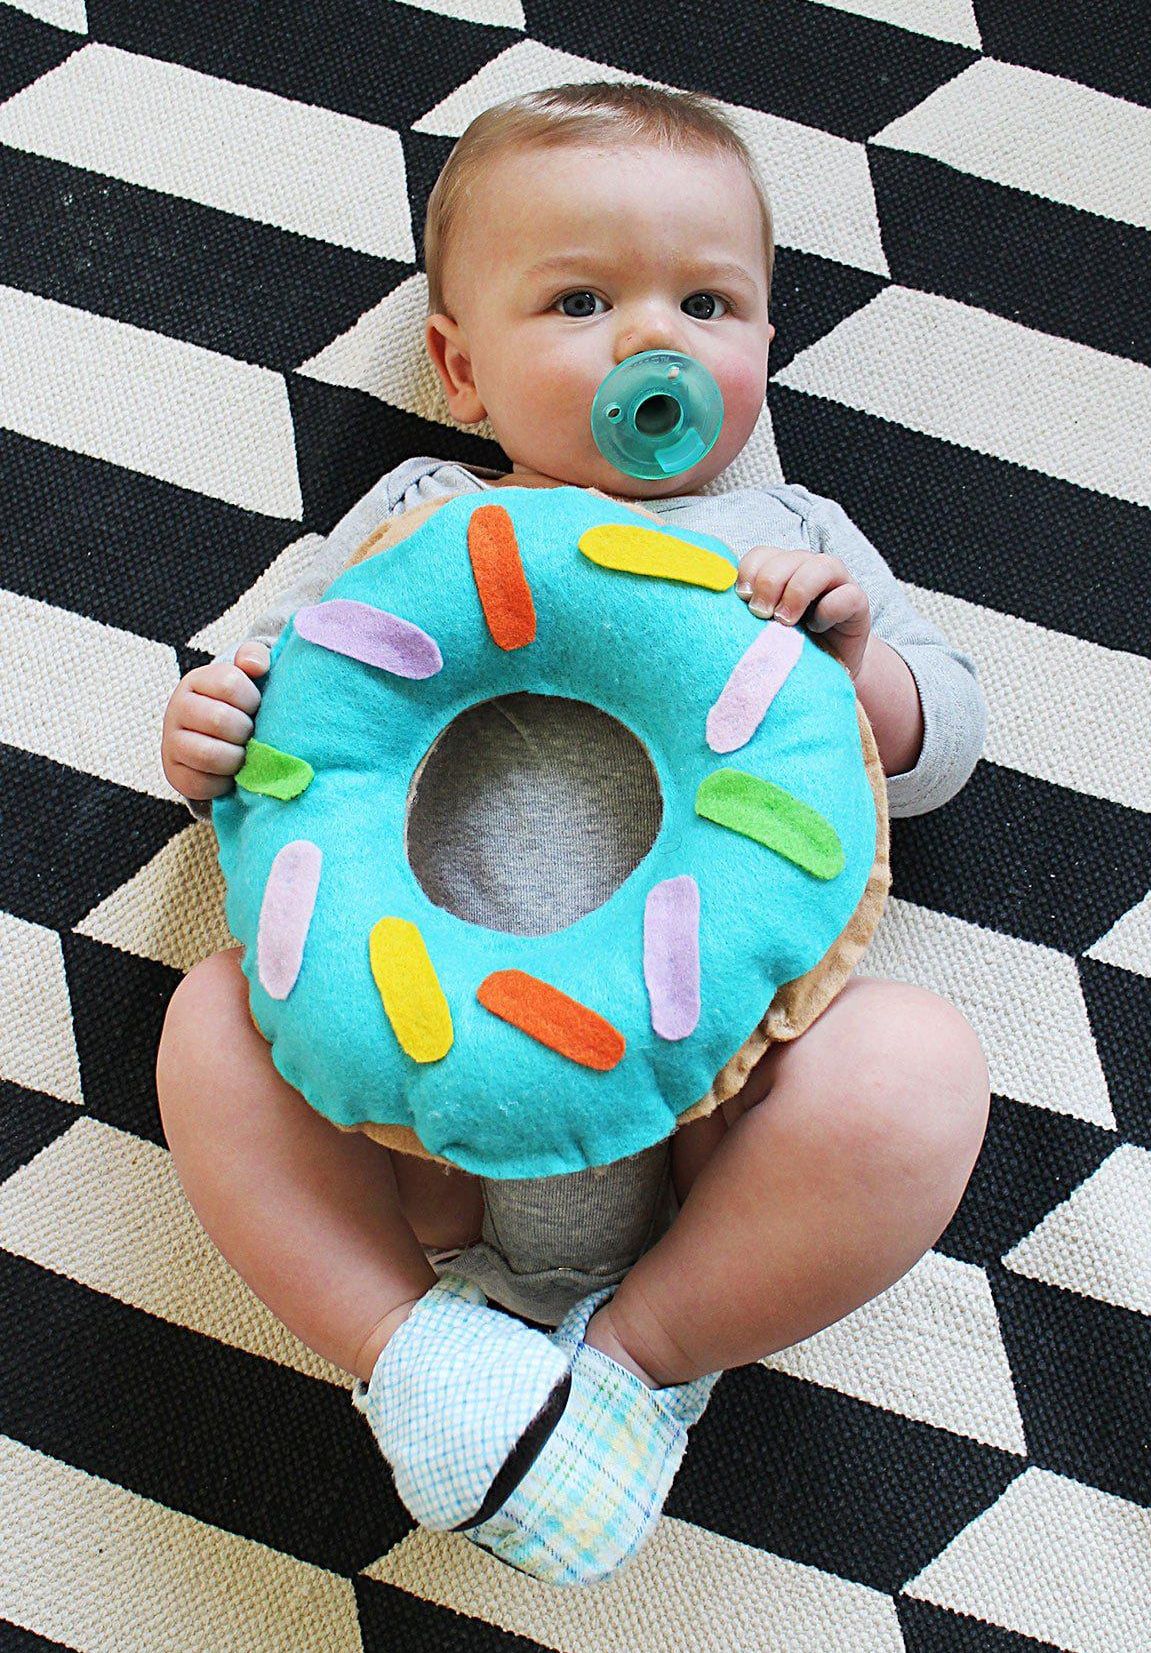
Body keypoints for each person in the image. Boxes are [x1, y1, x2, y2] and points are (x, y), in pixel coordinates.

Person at [157, 82, 991, 1585]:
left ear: (765, 351)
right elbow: (280, 714)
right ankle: (404, 1344)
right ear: (461, 372)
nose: (652, 340)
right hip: (416, 1112)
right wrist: (204, 728)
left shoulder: (787, 542)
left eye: (709, 301)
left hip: (714, 1119)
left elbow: (942, 752)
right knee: (208, 1023)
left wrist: (855, 667)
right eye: (584, 298)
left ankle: (636, 1364)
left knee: (919, 1069)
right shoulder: (418, 517)